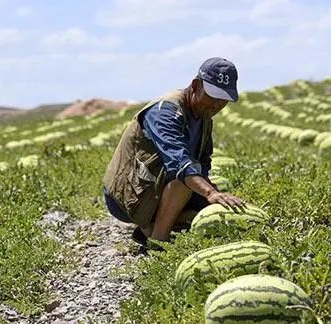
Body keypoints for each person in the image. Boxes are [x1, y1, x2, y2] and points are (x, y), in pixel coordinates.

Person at [102, 57, 245, 247]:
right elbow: (180, 164)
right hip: (126, 196)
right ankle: (156, 241)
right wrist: (209, 192)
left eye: (223, 100)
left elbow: (203, 163)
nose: (216, 105)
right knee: (185, 182)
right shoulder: (164, 112)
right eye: (212, 96)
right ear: (196, 85)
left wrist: (212, 196)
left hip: (156, 185)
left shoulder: (204, 118)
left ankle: (151, 224)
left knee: (209, 205)